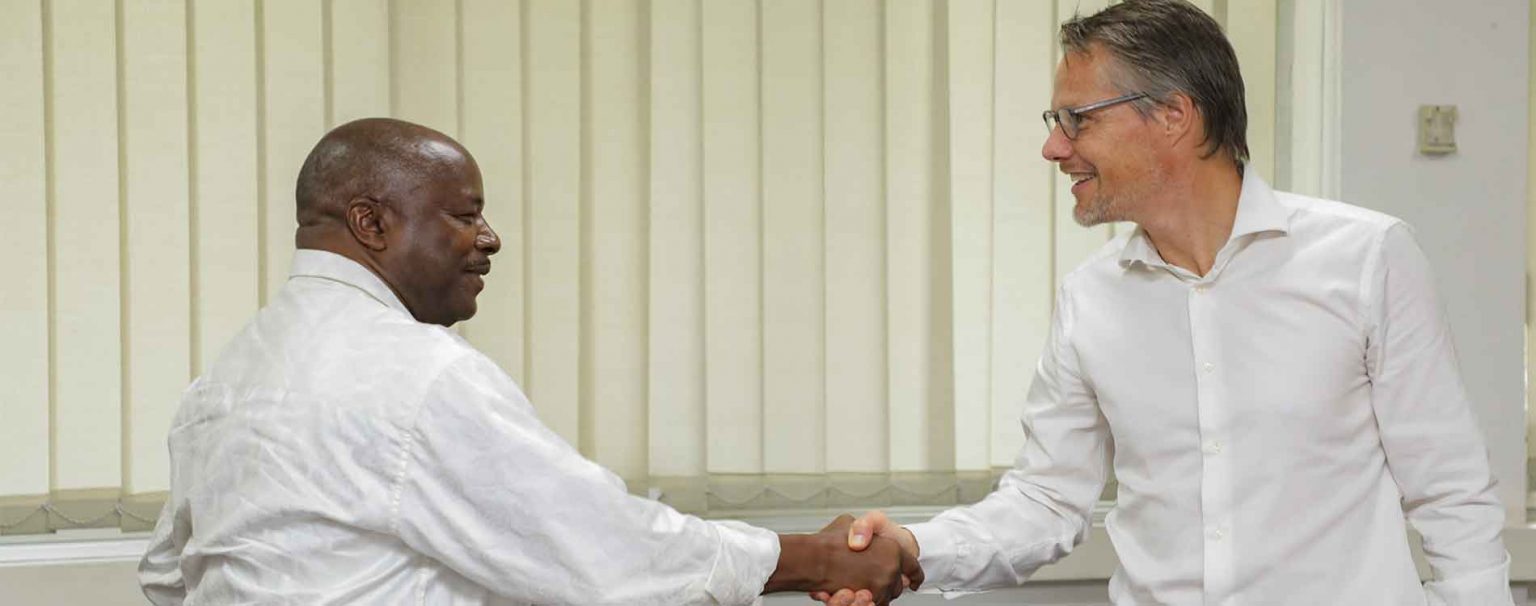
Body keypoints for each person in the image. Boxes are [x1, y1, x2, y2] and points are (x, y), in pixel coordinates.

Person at [820, 1, 1513, 604]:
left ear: (1174, 115)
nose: (1053, 147)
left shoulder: (1368, 257)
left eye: (1076, 119)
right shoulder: (1090, 299)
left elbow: (1451, 492)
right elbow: (1046, 500)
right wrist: (912, 545)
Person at [138, 117, 920, 605]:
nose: (490, 239)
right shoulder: (414, 373)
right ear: (371, 224)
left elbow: (171, 576)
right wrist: (817, 558)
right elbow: (606, 557)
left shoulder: (223, 384)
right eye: (464, 215)